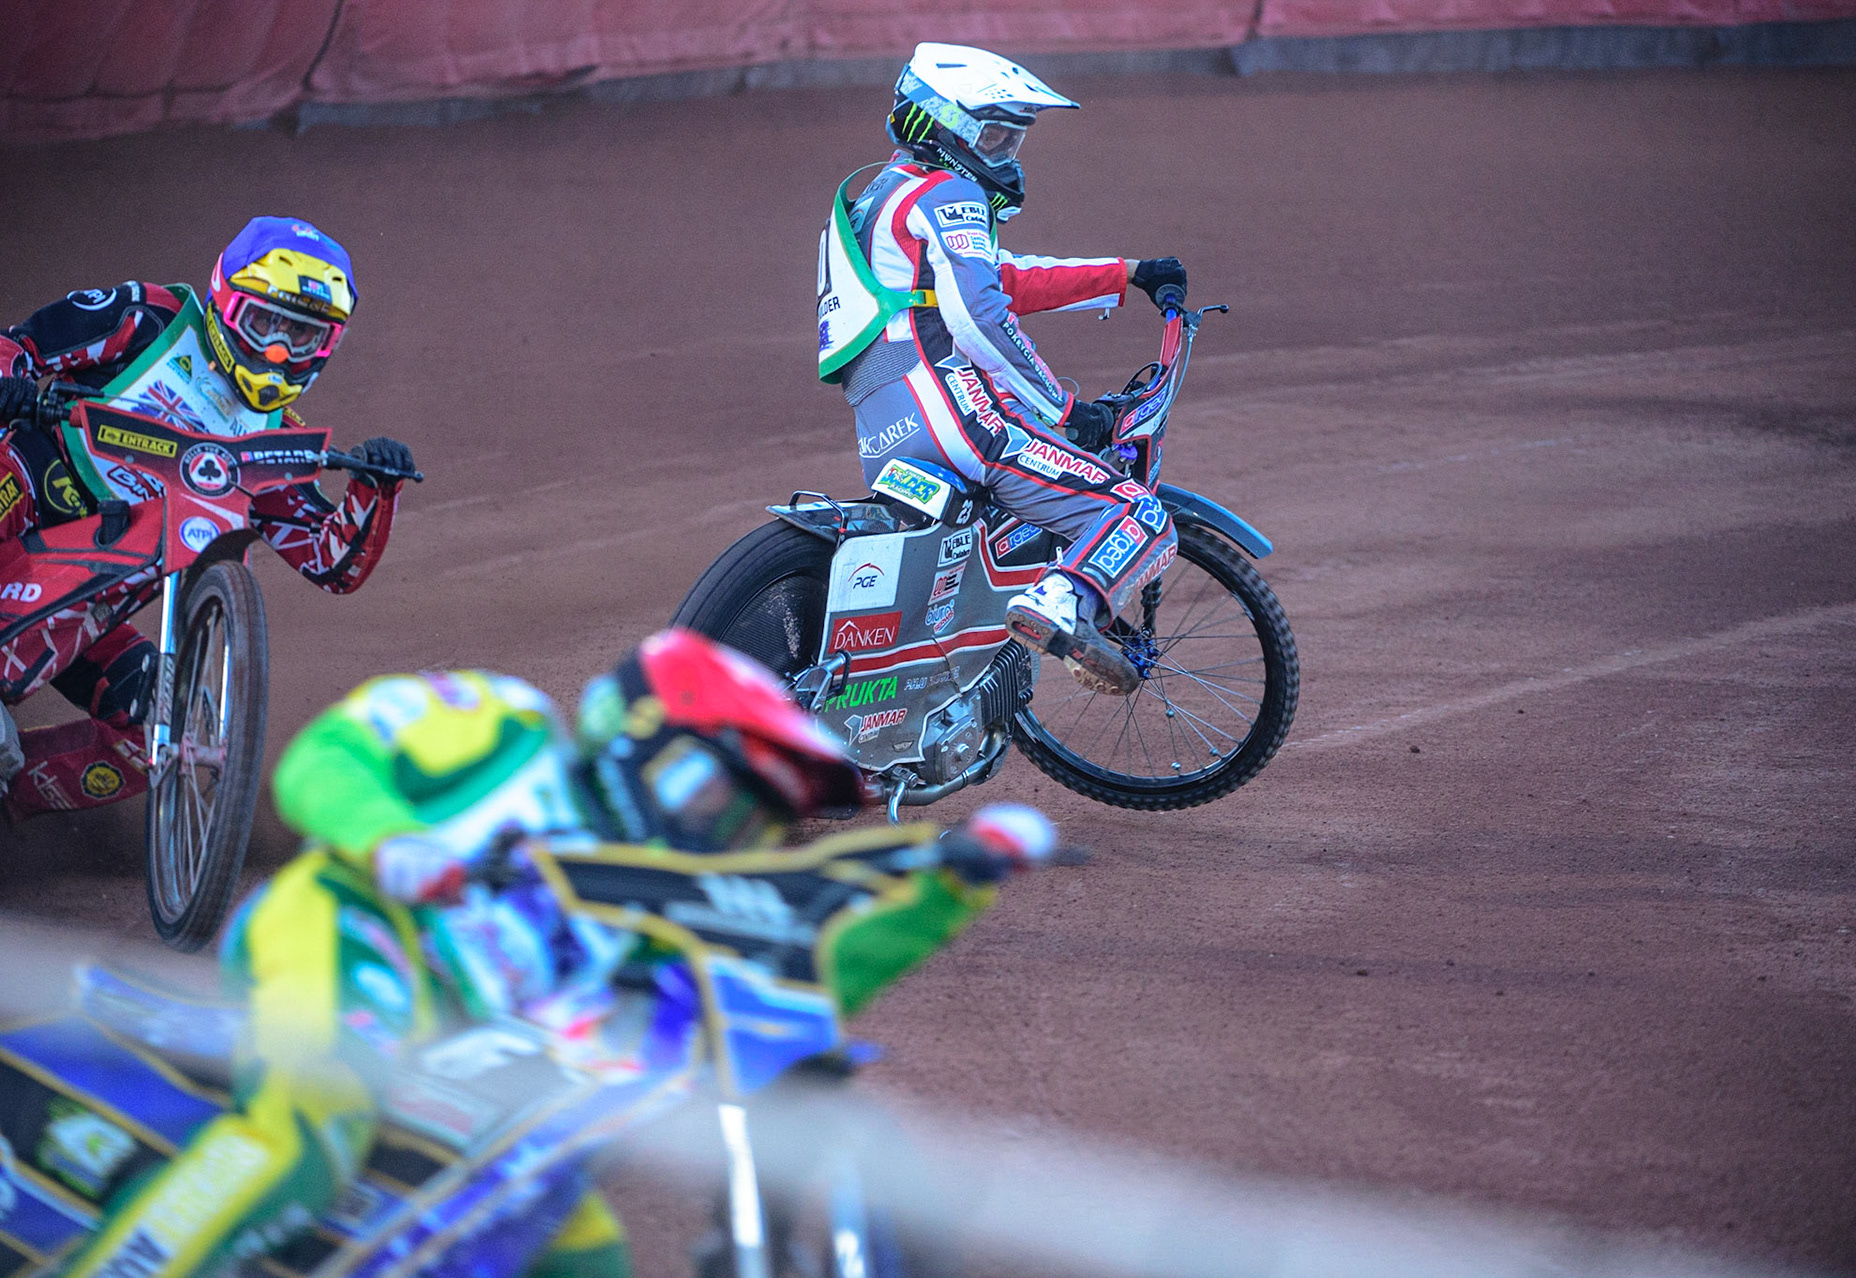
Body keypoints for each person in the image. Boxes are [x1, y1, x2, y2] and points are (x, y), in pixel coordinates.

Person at [57, 629, 1053, 1277]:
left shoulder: (662, 902)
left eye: (753, 824)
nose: (725, 837)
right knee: (319, 1111)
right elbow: (330, 755)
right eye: (719, 799)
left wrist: (949, 889)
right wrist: (393, 843)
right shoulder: (507, 730)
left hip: (472, 1062)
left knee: (585, 1256)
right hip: (351, 932)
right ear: (644, 739)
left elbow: (799, 977)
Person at [0, 216, 415, 820]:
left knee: (172, 725)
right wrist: (19, 392)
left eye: (301, 335)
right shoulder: (150, 319)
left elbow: (331, 562)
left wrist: (375, 488)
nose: (278, 349)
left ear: (325, 347)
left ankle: (15, 795)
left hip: (83, 603)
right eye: (266, 321)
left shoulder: (274, 450)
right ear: (227, 302)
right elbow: (18, 345)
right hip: (18, 505)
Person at [816, 41, 1188, 696]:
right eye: (993, 136)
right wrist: (1065, 412)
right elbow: (982, 317)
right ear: (942, 125)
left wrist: (1124, 275)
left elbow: (998, 279)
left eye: (1012, 140)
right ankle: (1060, 603)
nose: (1005, 156)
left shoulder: (885, 194)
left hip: (886, 421)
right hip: (954, 413)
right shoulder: (949, 192)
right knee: (1138, 515)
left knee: (974, 558)